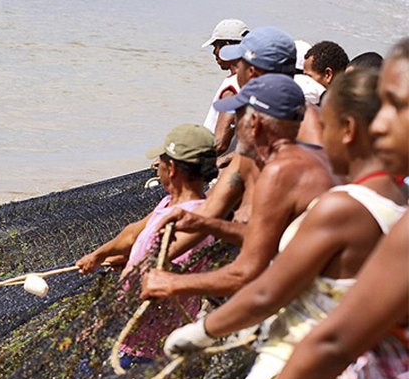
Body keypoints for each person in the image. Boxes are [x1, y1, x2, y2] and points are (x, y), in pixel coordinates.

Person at [195, 38, 409, 379]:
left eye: (398, 106)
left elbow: (321, 332)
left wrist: (202, 331)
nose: (384, 123)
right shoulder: (397, 204)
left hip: (317, 377)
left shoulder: (343, 204)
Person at [71, 124, 217, 379]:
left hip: (139, 336)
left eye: (162, 161)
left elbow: (164, 264)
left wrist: (106, 319)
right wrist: (102, 254)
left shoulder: (197, 218)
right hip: (128, 332)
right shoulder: (169, 204)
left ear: (177, 168)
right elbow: (136, 231)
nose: (156, 166)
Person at [142, 73, 337, 300]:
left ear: (253, 123)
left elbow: (246, 272)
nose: (233, 124)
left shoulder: (280, 172)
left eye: (237, 116)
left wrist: (173, 283)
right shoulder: (312, 157)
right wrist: (205, 224)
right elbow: (264, 238)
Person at [201, 19, 250, 158]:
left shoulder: (233, 86)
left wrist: (186, 161)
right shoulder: (254, 79)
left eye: (215, 46)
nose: (214, 53)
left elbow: (220, 142)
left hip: (216, 165)